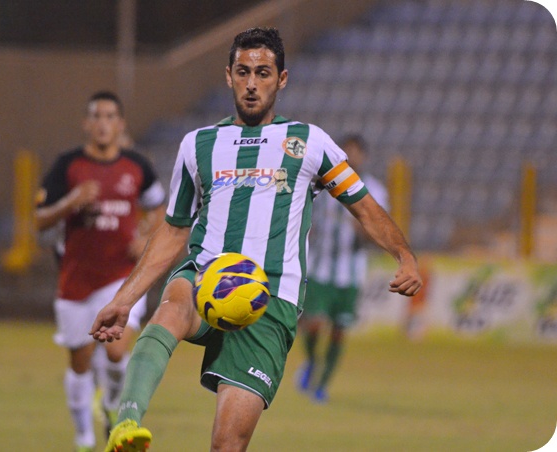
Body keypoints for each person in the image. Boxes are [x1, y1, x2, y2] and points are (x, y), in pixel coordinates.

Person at [90, 28, 422, 452]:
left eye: (262, 73)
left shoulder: (309, 142)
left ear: (281, 79)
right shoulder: (199, 145)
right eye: (243, 72)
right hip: (206, 273)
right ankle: (126, 423)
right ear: (228, 75)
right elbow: (173, 230)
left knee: (227, 445)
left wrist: (404, 255)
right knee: (169, 311)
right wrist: (124, 299)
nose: (251, 83)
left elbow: (364, 206)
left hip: (270, 298)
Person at [35, 90, 166, 452]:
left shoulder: (137, 166)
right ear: (86, 123)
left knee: (115, 350)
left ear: (120, 124)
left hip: (121, 277)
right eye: (97, 116)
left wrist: (147, 238)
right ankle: (83, 438)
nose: (103, 124)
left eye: (110, 117)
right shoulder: (68, 165)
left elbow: (159, 209)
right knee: (79, 363)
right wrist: (70, 202)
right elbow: (39, 219)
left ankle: (112, 406)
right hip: (76, 279)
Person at [296, 134, 389, 403]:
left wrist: (361, 228)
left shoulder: (375, 190)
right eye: (346, 151)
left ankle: (321, 385)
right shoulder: (321, 185)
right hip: (320, 267)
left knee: (339, 329)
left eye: (356, 152)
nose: (351, 157)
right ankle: (312, 361)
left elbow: (378, 232)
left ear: (364, 157)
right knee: (313, 323)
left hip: (350, 272)